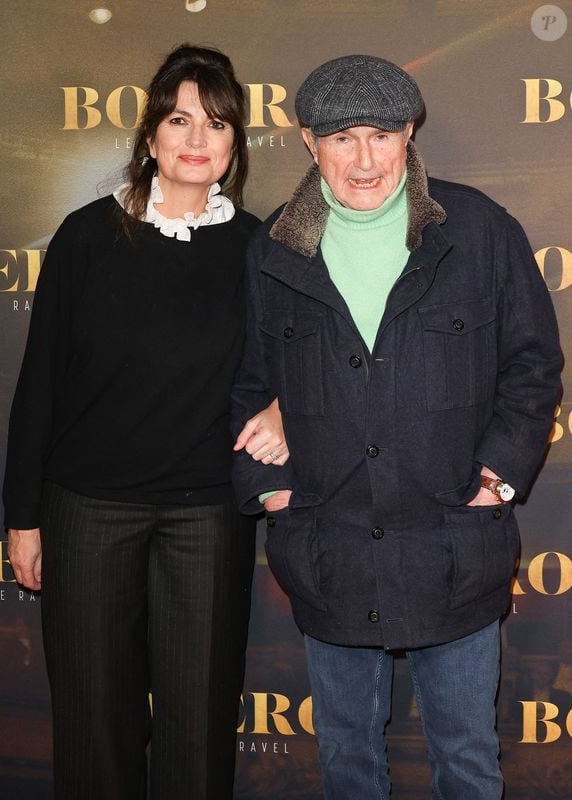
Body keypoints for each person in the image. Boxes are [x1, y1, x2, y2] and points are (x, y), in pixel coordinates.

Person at [231, 54, 562, 799]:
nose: (364, 158)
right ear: (308, 142)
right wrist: (277, 495)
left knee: (467, 763)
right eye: (342, 137)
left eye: (381, 134)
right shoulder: (273, 253)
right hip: (331, 550)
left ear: (410, 133)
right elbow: (246, 385)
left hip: (455, 544)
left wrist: (496, 482)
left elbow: (533, 365)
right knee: (348, 765)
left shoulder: (478, 231)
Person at [3, 44, 288, 800]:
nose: (199, 139)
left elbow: (296, 363)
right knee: (95, 727)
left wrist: (284, 407)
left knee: (199, 730)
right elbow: (39, 385)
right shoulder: (86, 236)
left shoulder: (258, 247)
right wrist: (23, 518)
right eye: (180, 119)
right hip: (87, 511)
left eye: (218, 124)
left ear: (235, 146)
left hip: (206, 516)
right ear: (151, 135)